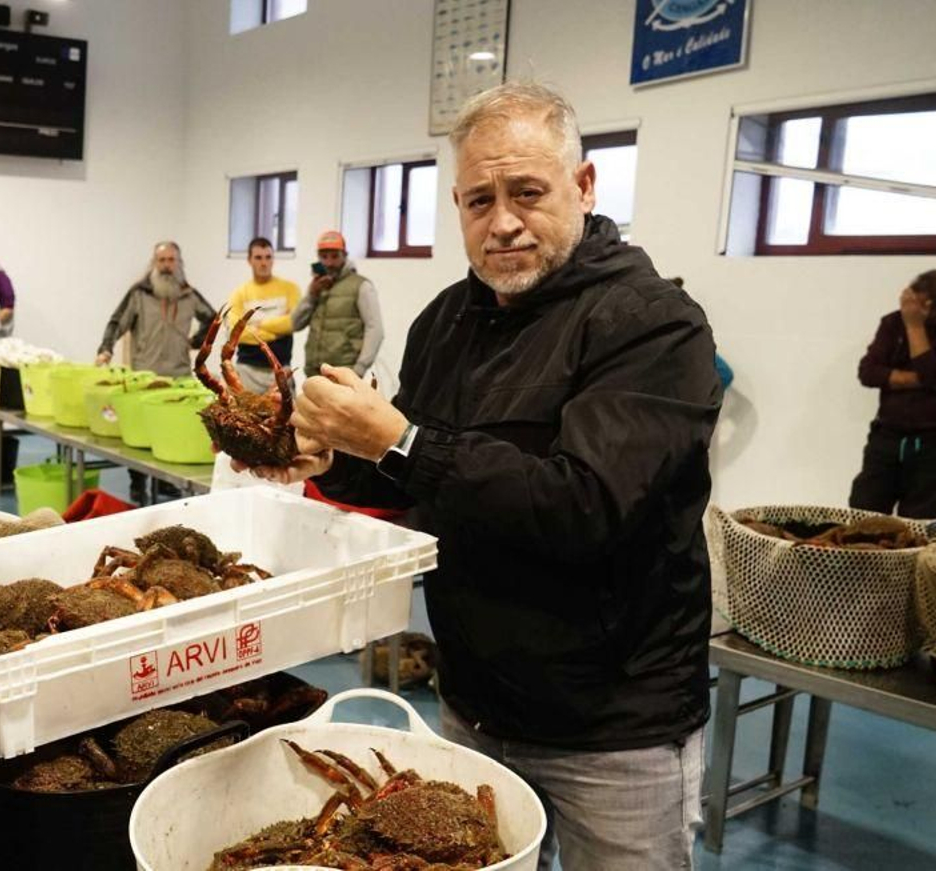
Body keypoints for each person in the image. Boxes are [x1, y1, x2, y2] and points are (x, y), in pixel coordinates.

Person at [242, 82, 720, 869]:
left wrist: (399, 439)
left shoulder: (652, 324)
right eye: (477, 200)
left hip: (615, 727)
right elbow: (410, 479)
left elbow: (586, 505)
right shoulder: (448, 321)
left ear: (585, 186)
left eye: (527, 193)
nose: (502, 222)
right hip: (475, 708)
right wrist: (335, 455)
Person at [849, 270, 936, 518]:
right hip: (889, 433)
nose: (912, 310)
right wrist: (934, 384)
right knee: (864, 511)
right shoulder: (892, 323)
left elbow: (933, 371)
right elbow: (868, 373)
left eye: (920, 307)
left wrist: (914, 327)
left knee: (919, 521)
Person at [96, 241, 216, 503]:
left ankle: (167, 483)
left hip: (179, 377)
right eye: (161, 260)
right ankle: (138, 483)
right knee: (139, 438)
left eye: (171, 260)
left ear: (179, 263)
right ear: (153, 263)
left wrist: (196, 341)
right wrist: (105, 348)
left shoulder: (188, 295)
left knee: (172, 435)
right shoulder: (139, 294)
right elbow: (117, 321)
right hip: (145, 377)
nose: (166, 266)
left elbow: (212, 318)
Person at [290, 229, 384, 378]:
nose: (329, 262)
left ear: (345, 255)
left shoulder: (361, 285)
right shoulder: (317, 286)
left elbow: (375, 329)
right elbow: (295, 324)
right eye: (324, 257)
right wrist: (312, 295)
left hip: (345, 372)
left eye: (335, 256)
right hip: (314, 371)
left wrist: (359, 369)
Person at [222, 236, 299, 393]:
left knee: (288, 417)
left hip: (281, 370)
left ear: (273, 260)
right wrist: (276, 331)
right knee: (245, 416)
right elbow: (235, 333)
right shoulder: (240, 294)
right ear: (249, 260)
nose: (264, 263)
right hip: (247, 372)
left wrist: (259, 325)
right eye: (258, 257)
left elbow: (293, 323)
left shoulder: (290, 289)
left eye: (268, 257)